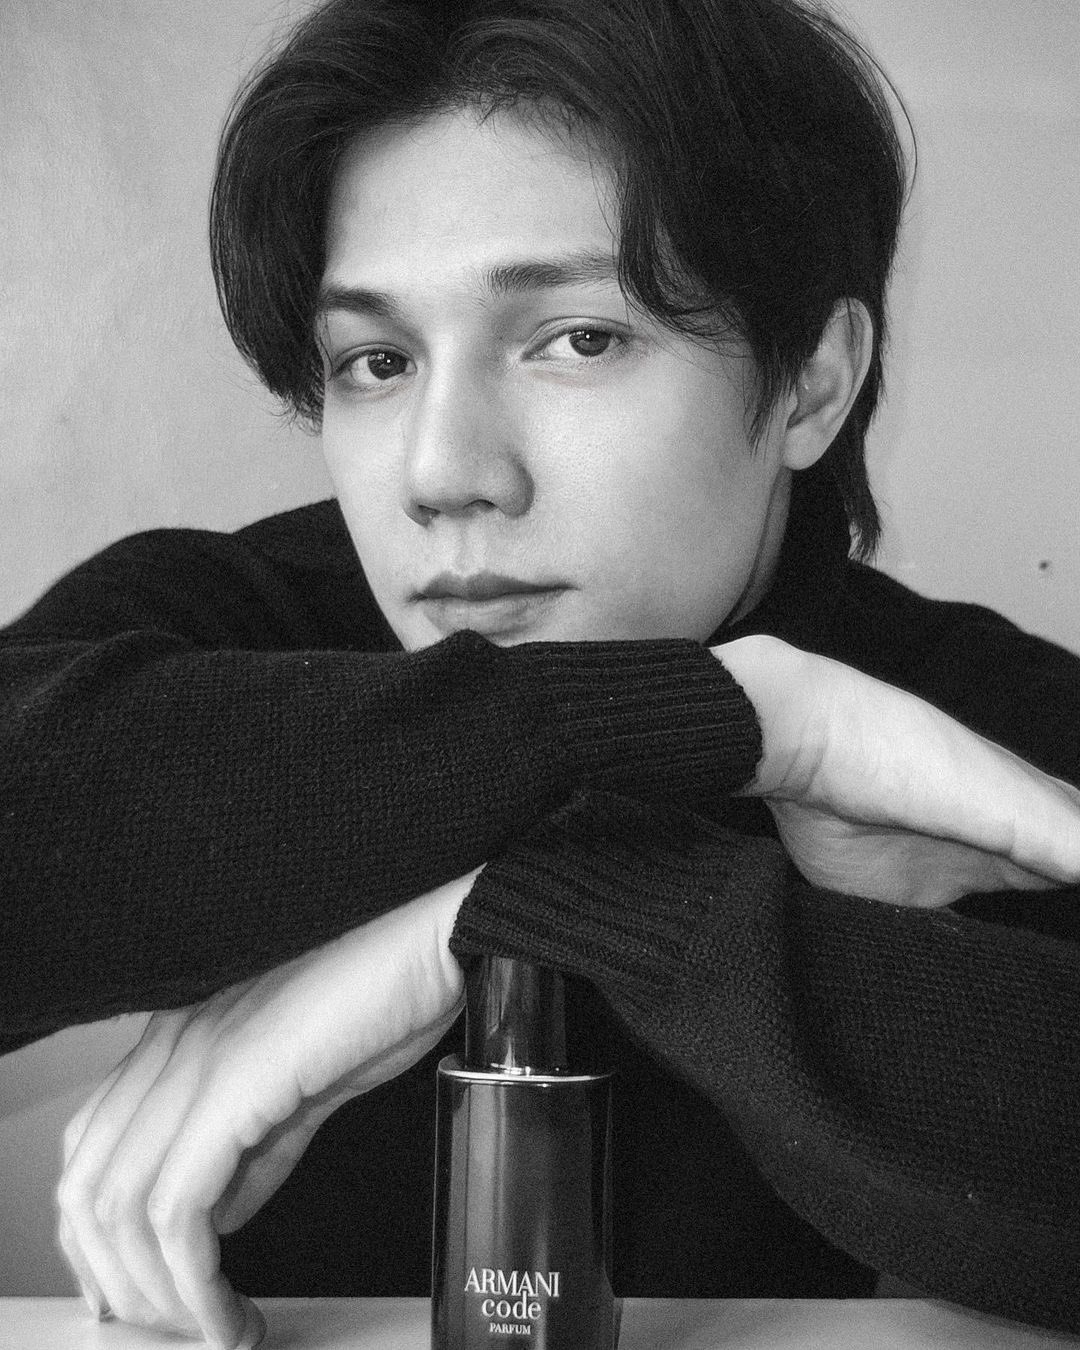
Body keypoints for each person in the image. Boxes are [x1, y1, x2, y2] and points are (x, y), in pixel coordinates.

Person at [1, 0, 1078, 1346]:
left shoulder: (964, 727)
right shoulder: (246, 627)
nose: (444, 471)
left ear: (812, 378)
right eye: (377, 361)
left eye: (578, 338)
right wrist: (746, 721)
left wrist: (532, 898)